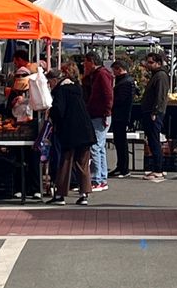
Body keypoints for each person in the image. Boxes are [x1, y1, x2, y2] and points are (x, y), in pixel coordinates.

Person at [48, 61, 96, 205]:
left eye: (50, 81)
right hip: (86, 130)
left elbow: (59, 110)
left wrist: (50, 113)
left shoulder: (61, 91)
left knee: (65, 163)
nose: (49, 84)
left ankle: (60, 195)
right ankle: (84, 194)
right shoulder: (78, 88)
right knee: (83, 163)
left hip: (69, 131)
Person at [82, 52, 113, 192]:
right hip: (99, 114)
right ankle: (101, 178)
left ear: (92, 61)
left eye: (86, 61)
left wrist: (106, 112)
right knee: (99, 147)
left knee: (95, 146)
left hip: (99, 114)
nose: (84, 64)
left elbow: (108, 94)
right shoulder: (97, 75)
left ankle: (97, 179)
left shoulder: (101, 74)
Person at [140, 52, 170, 182]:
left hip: (155, 113)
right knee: (152, 140)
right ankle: (157, 168)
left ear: (158, 63)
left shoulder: (161, 76)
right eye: (148, 62)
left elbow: (160, 96)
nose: (148, 64)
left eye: (151, 62)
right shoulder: (156, 75)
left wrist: (155, 111)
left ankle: (158, 169)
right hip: (151, 111)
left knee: (154, 140)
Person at [109, 58, 135, 177]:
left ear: (119, 69)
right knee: (119, 142)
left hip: (121, 116)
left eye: (114, 70)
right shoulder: (126, 81)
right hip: (121, 115)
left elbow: (120, 100)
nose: (113, 73)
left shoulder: (125, 82)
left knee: (121, 142)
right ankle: (121, 167)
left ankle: (123, 168)